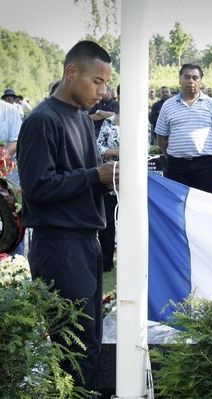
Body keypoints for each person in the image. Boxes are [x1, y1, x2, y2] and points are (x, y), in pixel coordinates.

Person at [16, 40, 118, 391]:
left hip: (87, 243)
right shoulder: (42, 121)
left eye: (106, 83)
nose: (103, 92)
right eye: (97, 81)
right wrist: (94, 175)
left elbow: (82, 174)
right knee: (72, 347)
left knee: (89, 341)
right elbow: (37, 187)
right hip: (58, 245)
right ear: (71, 71)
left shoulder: (80, 118)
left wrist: (107, 177)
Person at [155, 63, 212, 194]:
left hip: (206, 166)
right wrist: (171, 157)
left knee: (205, 205)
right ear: (180, 80)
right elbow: (161, 138)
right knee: (177, 206)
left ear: (200, 81)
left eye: (195, 77)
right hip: (177, 166)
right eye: (187, 77)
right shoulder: (168, 105)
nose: (191, 81)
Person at [96, 84, 121, 273]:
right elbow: (99, 148)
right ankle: (106, 261)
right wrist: (115, 152)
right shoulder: (109, 122)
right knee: (108, 222)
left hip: (132, 179)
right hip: (110, 176)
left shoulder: (141, 122)